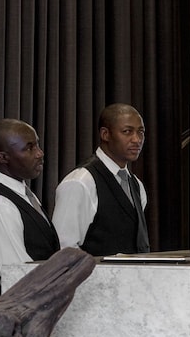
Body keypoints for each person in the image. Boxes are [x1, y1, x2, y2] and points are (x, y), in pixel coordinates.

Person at [0, 119, 60, 302]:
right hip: (18, 314)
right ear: (3, 157)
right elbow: (20, 275)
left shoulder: (21, 193)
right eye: (29, 148)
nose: (40, 153)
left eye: (37, 145)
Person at [52, 103, 150, 256]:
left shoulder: (136, 184)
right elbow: (64, 249)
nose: (137, 139)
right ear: (105, 134)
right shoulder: (80, 182)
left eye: (141, 132)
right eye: (127, 131)